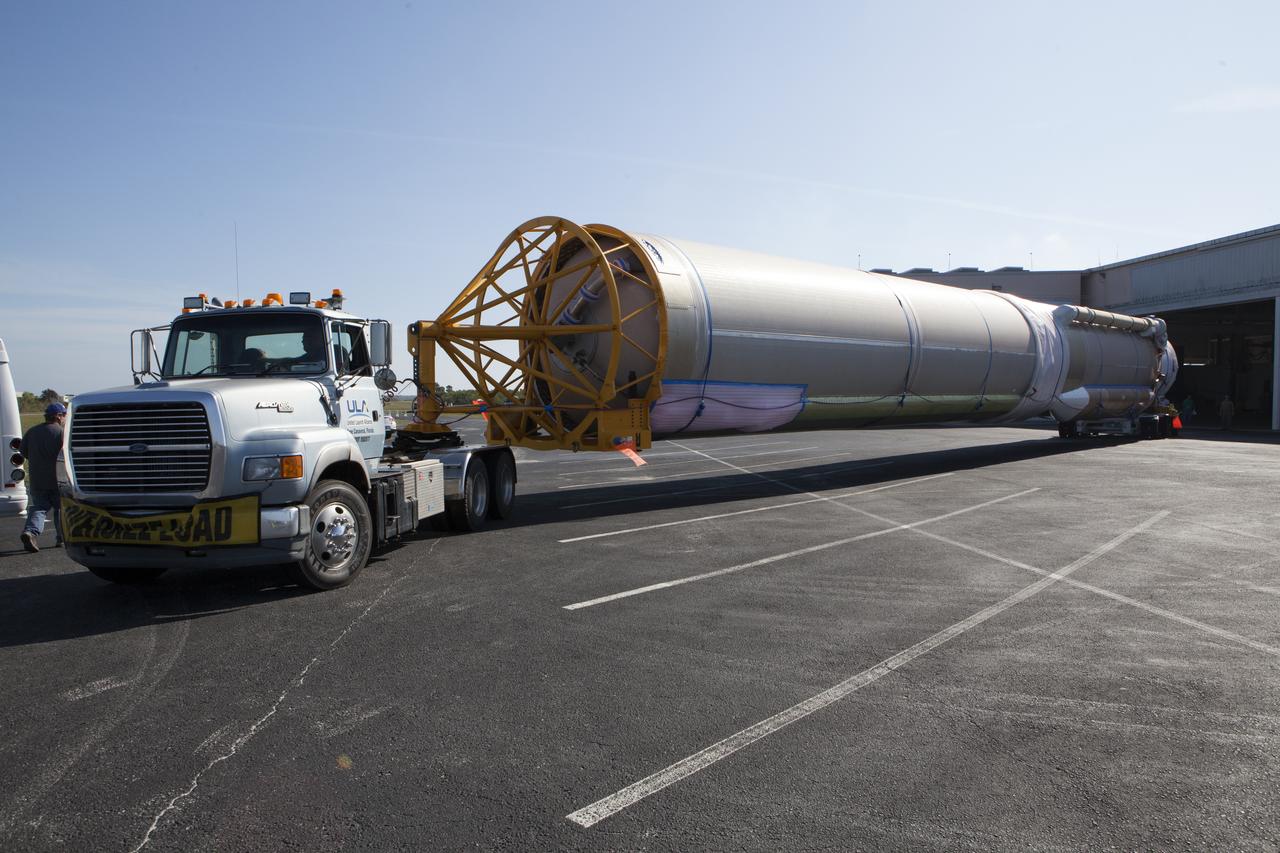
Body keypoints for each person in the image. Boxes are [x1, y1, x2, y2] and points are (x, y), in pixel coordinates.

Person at [20, 402, 67, 552]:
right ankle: (62, 538)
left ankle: (30, 532)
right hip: (58, 479)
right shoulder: (61, 433)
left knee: (39, 508)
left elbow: (23, 451)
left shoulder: (32, 431)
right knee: (61, 509)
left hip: (37, 479)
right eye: (64, 415)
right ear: (58, 416)